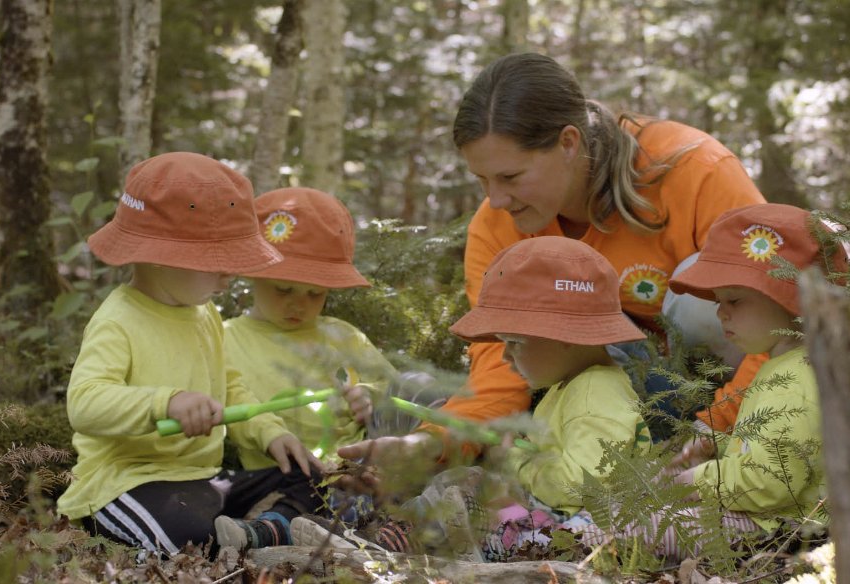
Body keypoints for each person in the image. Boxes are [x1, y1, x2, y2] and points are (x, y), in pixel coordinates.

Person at [337, 52, 767, 485]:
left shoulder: (695, 172)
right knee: (417, 393)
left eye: (510, 177)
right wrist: (434, 444)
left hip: (710, 394)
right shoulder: (496, 225)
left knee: (711, 295)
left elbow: (778, 307)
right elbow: (501, 364)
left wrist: (714, 428)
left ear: (568, 143)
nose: (496, 200)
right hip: (590, 395)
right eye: (482, 180)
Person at [298, 236, 652, 560]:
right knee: (465, 482)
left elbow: (583, 486)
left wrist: (518, 460)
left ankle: (385, 544)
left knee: (466, 484)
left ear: (566, 336)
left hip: (570, 536)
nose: (505, 356)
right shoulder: (574, 385)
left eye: (514, 343)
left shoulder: (594, 394)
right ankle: (388, 537)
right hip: (549, 520)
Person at [56, 152, 324, 556]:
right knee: (191, 536)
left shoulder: (205, 313)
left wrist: (270, 432)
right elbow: (85, 404)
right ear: (162, 257)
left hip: (205, 479)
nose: (229, 274)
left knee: (312, 475)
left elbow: (230, 388)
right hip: (126, 484)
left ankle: (261, 532)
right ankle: (259, 537)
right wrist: (166, 403)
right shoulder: (119, 320)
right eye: (216, 262)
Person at [617, 202, 849, 560]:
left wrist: (698, 480)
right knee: (642, 515)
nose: (719, 312)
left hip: (781, 528)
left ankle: (569, 538)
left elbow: (770, 483)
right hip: (773, 517)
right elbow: (780, 454)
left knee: (641, 526)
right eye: (719, 300)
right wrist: (722, 448)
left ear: (791, 298)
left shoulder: (794, 380)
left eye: (734, 300)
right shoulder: (788, 366)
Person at [224, 187, 397, 523]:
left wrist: (370, 396)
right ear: (252, 272)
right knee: (317, 501)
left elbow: (393, 387)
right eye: (283, 289)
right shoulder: (227, 339)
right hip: (291, 476)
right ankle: (289, 526)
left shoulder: (342, 335)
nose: (298, 304)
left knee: (423, 391)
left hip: (363, 463)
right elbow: (235, 409)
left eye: (315, 294)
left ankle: (416, 504)